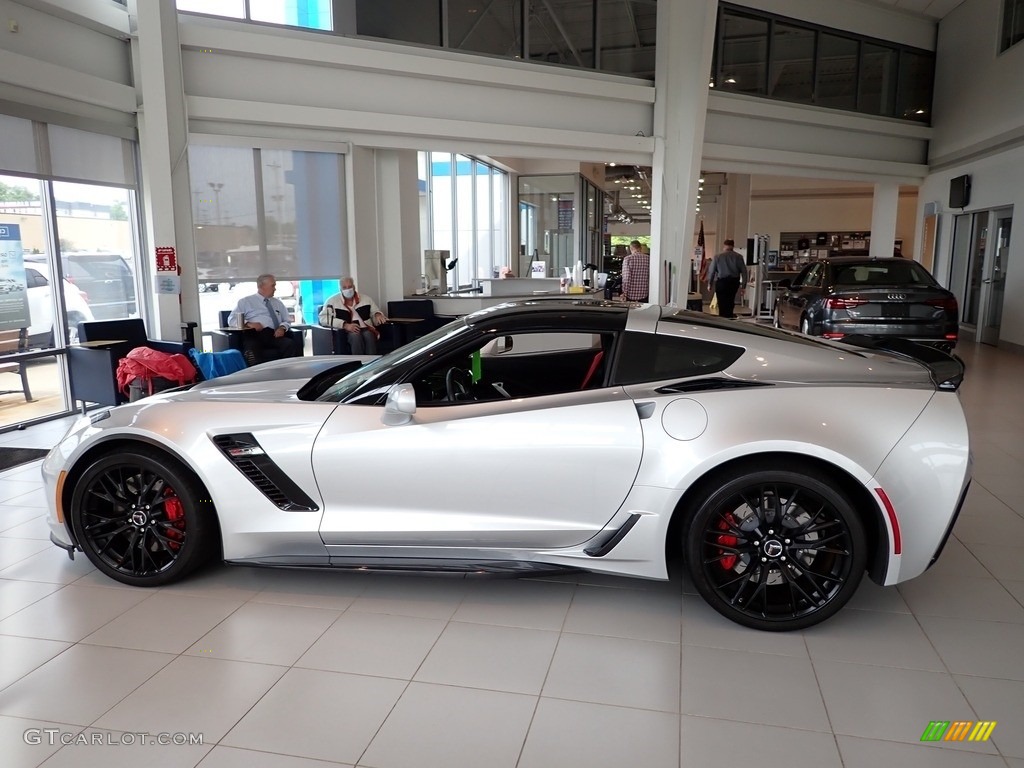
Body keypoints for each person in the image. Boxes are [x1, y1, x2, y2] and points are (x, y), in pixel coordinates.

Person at [227, 274, 299, 364]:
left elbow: (287, 320)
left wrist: (282, 328)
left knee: (289, 344)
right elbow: (231, 320)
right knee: (252, 349)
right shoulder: (246, 302)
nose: (275, 289)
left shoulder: (278, 303)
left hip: (274, 334)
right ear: (261, 286)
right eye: (273, 285)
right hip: (254, 335)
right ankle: (258, 374)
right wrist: (248, 324)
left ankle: (287, 372)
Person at [319, 277, 387, 355]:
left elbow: (374, 312)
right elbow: (323, 318)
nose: (347, 289)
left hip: (366, 328)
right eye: (344, 287)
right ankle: (359, 363)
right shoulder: (331, 301)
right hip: (346, 331)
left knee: (369, 335)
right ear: (340, 289)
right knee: (355, 336)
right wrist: (345, 325)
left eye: (350, 287)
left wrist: (377, 314)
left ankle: (372, 363)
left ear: (354, 287)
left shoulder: (366, 299)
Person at [706, 239, 748, 319]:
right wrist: (743, 286)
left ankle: (722, 318)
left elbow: (712, 271)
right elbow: (744, 272)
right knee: (730, 300)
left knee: (722, 302)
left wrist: (709, 284)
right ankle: (729, 316)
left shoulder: (718, 256)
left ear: (724, 246)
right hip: (734, 282)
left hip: (722, 282)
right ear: (733, 246)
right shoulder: (739, 257)